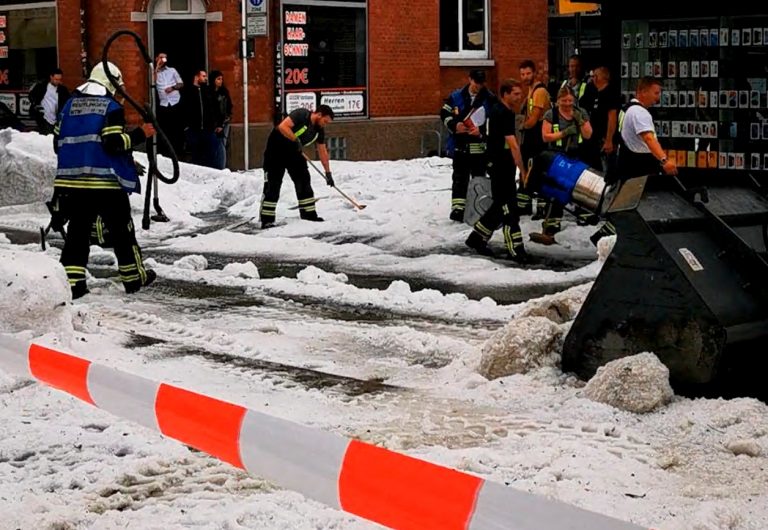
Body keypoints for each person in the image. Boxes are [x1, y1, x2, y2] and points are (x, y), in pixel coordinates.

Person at [52, 61, 157, 299]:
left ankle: (74, 283)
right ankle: (133, 279)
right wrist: (142, 134)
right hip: (105, 184)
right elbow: (113, 143)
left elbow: (58, 143)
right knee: (122, 232)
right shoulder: (109, 107)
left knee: (77, 234)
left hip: (73, 184)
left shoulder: (69, 106)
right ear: (110, 83)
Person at [591, 76, 678, 245]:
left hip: (629, 163)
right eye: (655, 92)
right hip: (639, 167)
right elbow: (648, 138)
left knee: (627, 207)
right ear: (643, 91)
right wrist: (664, 160)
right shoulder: (639, 113)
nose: (657, 97)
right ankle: (607, 240)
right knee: (635, 208)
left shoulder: (627, 109)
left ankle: (604, 238)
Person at [465, 79, 529, 263]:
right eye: (515, 94)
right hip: (501, 166)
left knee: (499, 205)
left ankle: (477, 238)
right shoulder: (504, 113)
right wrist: (522, 170)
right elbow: (513, 145)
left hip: (497, 164)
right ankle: (516, 249)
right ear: (505, 94)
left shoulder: (496, 110)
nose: (519, 97)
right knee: (509, 209)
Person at [259, 105, 335, 228]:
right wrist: (296, 140)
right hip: (276, 151)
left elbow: (322, 151)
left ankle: (309, 215)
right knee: (273, 185)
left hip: (294, 152)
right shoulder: (301, 114)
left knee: (304, 181)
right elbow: (283, 126)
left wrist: (328, 173)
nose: (325, 124)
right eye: (325, 121)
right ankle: (267, 220)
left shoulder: (319, 130)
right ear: (319, 115)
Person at [535, 86, 594, 244]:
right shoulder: (551, 114)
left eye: (570, 100)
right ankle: (550, 227)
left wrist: (580, 121)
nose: (567, 104)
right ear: (558, 100)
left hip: (576, 156)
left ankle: (583, 218)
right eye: (564, 101)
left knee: (574, 188)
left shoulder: (580, 112)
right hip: (556, 156)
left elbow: (588, 134)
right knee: (555, 189)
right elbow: (545, 137)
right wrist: (564, 133)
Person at [440, 69, 495, 222]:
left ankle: (477, 207)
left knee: (478, 178)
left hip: (479, 146)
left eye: (481, 83)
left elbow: (495, 120)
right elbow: (444, 113)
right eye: (476, 82)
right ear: (470, 79)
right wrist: (454, 124)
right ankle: (458, 209)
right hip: (460, 145)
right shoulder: (456, 96)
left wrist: (482, 131)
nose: (479, 86)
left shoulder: (489, 98)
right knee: (459, 178)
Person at [518, 59, 551, 216]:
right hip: (531, 136)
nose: (525, 77)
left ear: (535, 73)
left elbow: (534, 117)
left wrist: (522, 127)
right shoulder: (531, 90)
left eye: (528, 73)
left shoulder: (539, 92)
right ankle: (524, 204)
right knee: (526, 169)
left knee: (536, 171)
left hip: (537, 137)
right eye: (522, 74)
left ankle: (541, 207)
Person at [182, 69, 217, 168]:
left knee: (209, 155)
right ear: (197, 77)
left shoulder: (208, 91)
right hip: (194, 129)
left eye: (206, 76)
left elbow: (213, 108)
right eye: (203, 76)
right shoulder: (188, 91)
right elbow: (185, 109)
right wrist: (186, 126)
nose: (206, 79)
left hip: (207, 129)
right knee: (195, 155)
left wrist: (214, 124)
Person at [154, 52, 184, 157]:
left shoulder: (172, 70)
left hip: (175, 102)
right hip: (163, 104)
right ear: (157, 58)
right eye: (161, 57)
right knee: (165, 128)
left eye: (165, 58)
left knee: (176, 128)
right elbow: (152, 82)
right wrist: (157, 66)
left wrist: (173, 88)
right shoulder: (154, 72)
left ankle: (178, 152)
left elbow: (181, 83)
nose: (163, 59)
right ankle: (165, 152)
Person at [28, 68, 70, 135]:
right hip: (44, 117)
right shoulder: (41, 86)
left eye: (59, 80)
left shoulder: (62, 90)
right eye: (56, 79)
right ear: (51, 77)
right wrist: (35, 105)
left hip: (56, 119)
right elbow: (31, 96)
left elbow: (67, 102)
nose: (58, 81)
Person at [209, 70, 233, 170]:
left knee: (221, 143)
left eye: (221, 79)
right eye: (218, 79)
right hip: (212, 122)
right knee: (213, 143)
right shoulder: (209, 92)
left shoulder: (224, 92)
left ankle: (221, 167)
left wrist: (222, 123)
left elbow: (228, 107)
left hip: (223, 121)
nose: (220, 81)